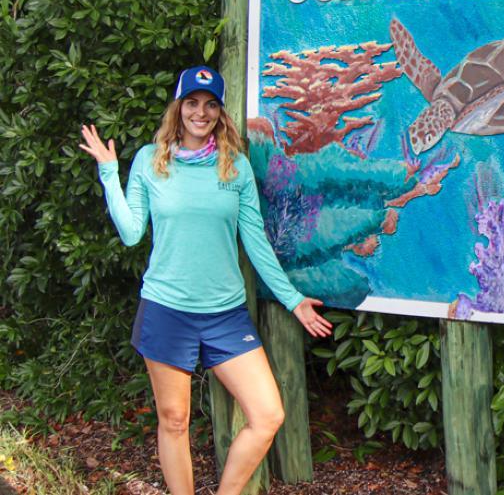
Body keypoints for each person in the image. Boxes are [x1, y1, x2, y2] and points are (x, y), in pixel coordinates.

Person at [79, 66, 332, 495]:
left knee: (268, 414)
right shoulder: (148, 160)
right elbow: (131, 233)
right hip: (166, 309)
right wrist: (108, 171)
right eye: (192, 103)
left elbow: (256, 243)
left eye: (210, 104)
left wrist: (293, 300)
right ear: (178, 108)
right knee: (173, 421)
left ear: (220, 112)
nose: (201, 112)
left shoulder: (234, 167)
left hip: (225, 316)